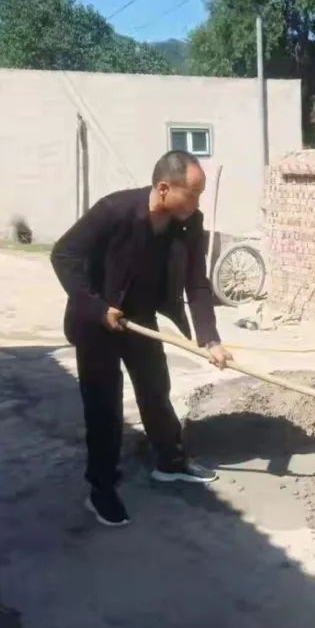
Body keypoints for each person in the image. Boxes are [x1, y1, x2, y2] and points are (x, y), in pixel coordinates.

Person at [51, 150, 233, 527]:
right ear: (164, 188)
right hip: (98, 321)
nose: (197, 204)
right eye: (192, 194)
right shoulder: (113, 211)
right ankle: (101, 488)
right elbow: (63, 255)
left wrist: (210, 338)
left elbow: (196, 282)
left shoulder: (189, 223)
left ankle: (171, 461)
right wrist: (96, 307)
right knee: (104, 405)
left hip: (140, 319)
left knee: (155, 389)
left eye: (200, 195)